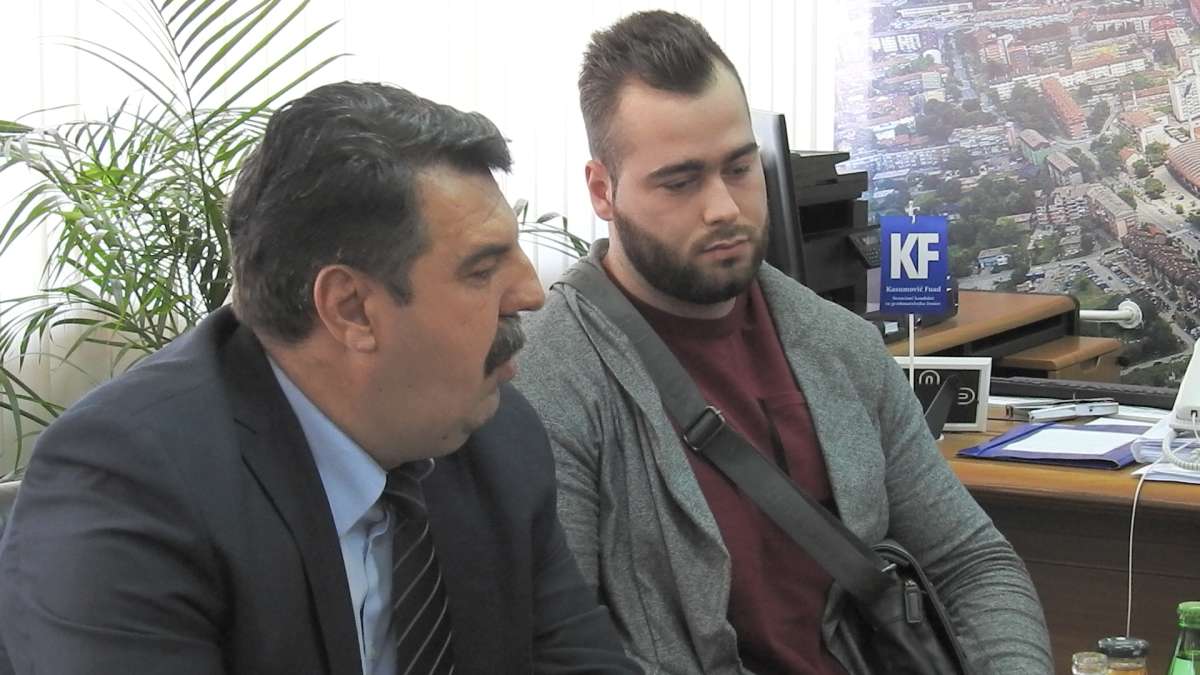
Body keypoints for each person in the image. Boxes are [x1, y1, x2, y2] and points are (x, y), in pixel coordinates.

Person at [0, 82, 640, 675]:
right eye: (481, 270)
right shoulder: (126, 486)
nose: (531, 293)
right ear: (350, 308)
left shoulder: (497, 441)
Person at [514, 11, 1052, 675]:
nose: (723, 207)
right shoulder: (550, 378)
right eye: (681, 181)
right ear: (603, 190)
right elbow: (555, 650)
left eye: (739, 168)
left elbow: (970, 561)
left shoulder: (839, 345)